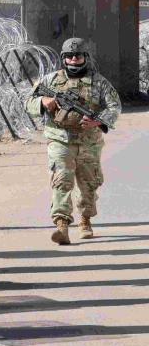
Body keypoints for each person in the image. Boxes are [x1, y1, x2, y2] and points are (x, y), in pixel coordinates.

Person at [26, 37, 122, 243]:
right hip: (60, 140)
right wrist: (45, 102)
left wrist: (97, 121)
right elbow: (29, 102)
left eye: (78, 55)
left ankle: (85, 219)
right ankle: (62, 225)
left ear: (85, 57)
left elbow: (114, 106)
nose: (74, 59)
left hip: (89, 143)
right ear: (64, 58)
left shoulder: (99, 82)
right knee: (62, 180)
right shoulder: (51, 80)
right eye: (69, 56)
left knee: (89, 184)